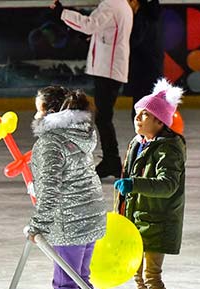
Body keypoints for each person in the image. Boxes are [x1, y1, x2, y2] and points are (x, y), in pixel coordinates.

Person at [26, 86, 115, 289]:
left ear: (50, 112)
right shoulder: (81, 133)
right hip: (90, 217)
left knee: (66, 284)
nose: (35, 114)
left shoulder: (50, 142)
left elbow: (51, 189)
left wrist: (38, 224)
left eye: (39, 108)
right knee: (81, 280)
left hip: (69, 223)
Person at [113, 78, 185, 289]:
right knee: (137, 274)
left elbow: (168, 185)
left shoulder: (169, 148)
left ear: (161, 122)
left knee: (151, 274)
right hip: (135, 219)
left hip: (159, 221)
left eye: (146, 115)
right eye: (138, 113)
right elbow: (124, 180)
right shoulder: (138, 143)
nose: (138, 118)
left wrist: (134, 185)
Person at [51, 0, 136, 178]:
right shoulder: (121, 5)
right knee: (104, 117)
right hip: (111, 68)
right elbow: (102, 31)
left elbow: (89, 25)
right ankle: (111, 159)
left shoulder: (111, 5)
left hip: (108, 69)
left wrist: (63, 13)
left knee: (104, 117)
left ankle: (112, 161)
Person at [125, 0, 163, 121]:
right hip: (152, 67)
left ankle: (145, 137)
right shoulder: (151, 16)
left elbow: (134, 40)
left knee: (140, 108)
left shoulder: (141, 18)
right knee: (148, 107)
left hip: (142, 70)